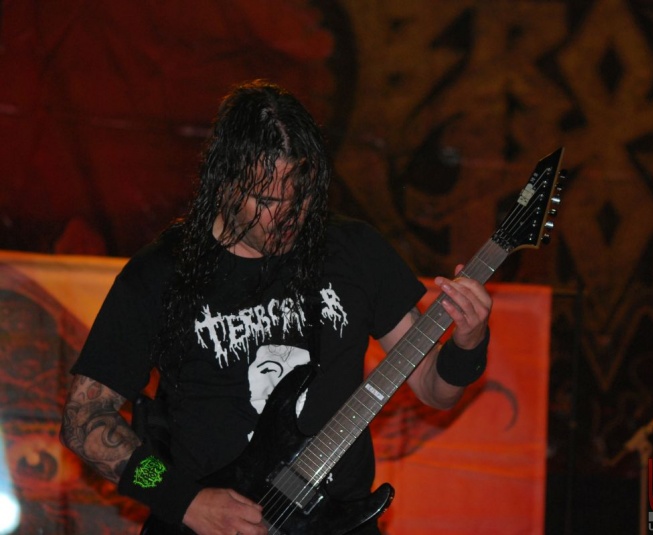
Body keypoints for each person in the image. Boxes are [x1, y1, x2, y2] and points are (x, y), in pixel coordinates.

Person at [59, 79, 493, 535]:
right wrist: (182, 501)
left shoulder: (353, 252)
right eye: (265, 200)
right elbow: (84, 420)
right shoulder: (161, 274)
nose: (286, 217)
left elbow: (432, 389)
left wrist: (469, 342)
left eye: (300, 196)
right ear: (224, 182)